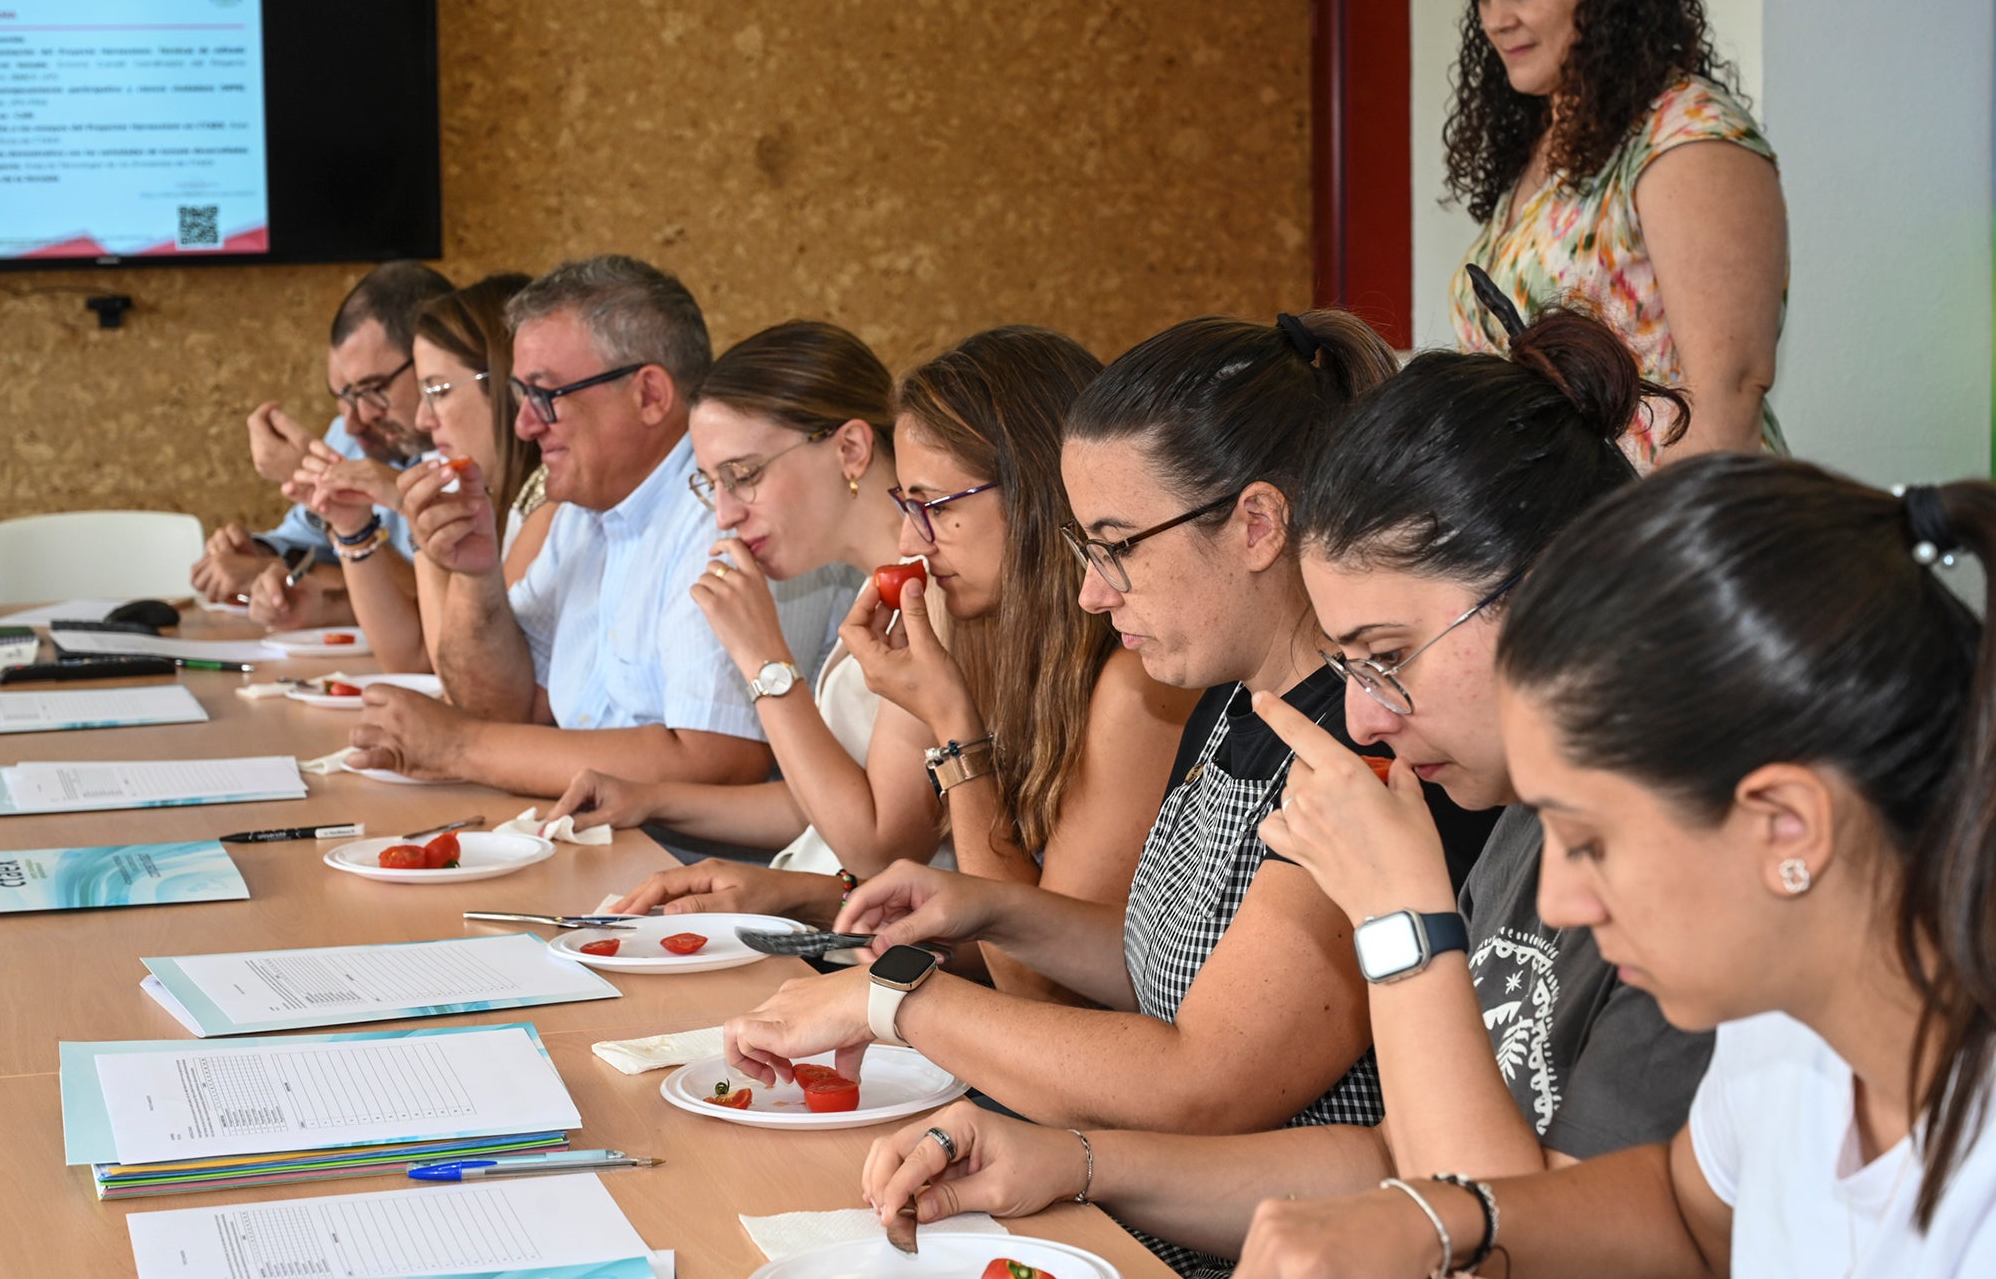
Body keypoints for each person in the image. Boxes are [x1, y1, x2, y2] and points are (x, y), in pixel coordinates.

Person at [859, 307, 1707, 1279]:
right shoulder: (1512, 815)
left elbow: (1483, 1236)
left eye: (1385, 656)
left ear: (1551, 599)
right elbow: (1388, 1160)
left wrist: (1403, 922)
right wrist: (1076, 1159)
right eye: (1349, 663)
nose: (1362, 714)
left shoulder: (1648, 862)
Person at [724, 312, 1429, 1274]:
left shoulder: (1355, 745)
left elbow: (1204, 1078)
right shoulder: (1226, 694)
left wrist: (898, 1001)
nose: (1093, 593)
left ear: (1259, 525)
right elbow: (1167, 962)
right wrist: (995, 906)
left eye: (1117, 544)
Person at [1225, 457, 1996, 1277]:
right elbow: (1685, 1210)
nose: (1558, 900)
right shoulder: (1780, 1024)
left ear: (1788, 827)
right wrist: (1448, 1216)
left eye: (1589, 841)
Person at [572, 327, 1194, 967]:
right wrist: (807, 898)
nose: (912, 538)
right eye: (906, 504)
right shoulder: (972, 613)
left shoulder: (1126, 680)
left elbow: (1033, 968)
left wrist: (775, 668)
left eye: (932, 504)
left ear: (1034, 490)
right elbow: (996, 922)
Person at [341, 255, 858, 808]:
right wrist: (475, 576)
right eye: (519, 397)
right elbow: (509, 708)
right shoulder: (581, 511)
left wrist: (460, 747)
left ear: (649, 396)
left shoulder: (724, 511)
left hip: (704, 864)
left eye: (544, 396)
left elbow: (718, 758)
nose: (523, 425)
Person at [528, 319, 943, 882]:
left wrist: (765, 662)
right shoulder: (879, 581)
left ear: (850, 448)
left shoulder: (930, 592)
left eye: (743, 475)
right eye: (710, 485)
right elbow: (822, 803)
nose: (725, 514)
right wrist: (651, 800)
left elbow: (876, 847)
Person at [1443, 0, 1786, 465]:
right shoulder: (1544, 142)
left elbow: (1727, 399)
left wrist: (1634, 556)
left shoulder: (1686, 136)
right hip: (1554, 543)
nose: (1496, 18)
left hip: (1676, 540)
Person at [267, 274, 549, 672]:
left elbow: (460, 677)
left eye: (437, 391)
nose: (423, 418)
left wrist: (409, 508)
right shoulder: (486, 489)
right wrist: (352, 528)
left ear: (508, 385)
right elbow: (414, 658)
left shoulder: (551, 504)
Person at [190, 260, 451, 617]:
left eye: (372, 390)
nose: (353, 423)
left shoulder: (475, 447)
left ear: (434, 358)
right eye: (343, 397)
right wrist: (264, 555)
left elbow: (436, 602)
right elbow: (307, 540)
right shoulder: (354, 437)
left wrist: (317, 490)